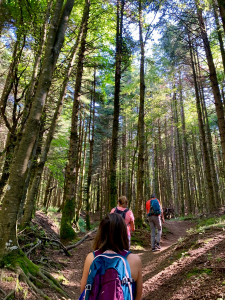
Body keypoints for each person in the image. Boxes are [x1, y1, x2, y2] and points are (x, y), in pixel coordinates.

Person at [80, 213, 142, 300]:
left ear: (100, 233)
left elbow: (84, 291)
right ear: (123, 233)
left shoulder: (91, 258)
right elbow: (138, 296)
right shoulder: (135, 260)